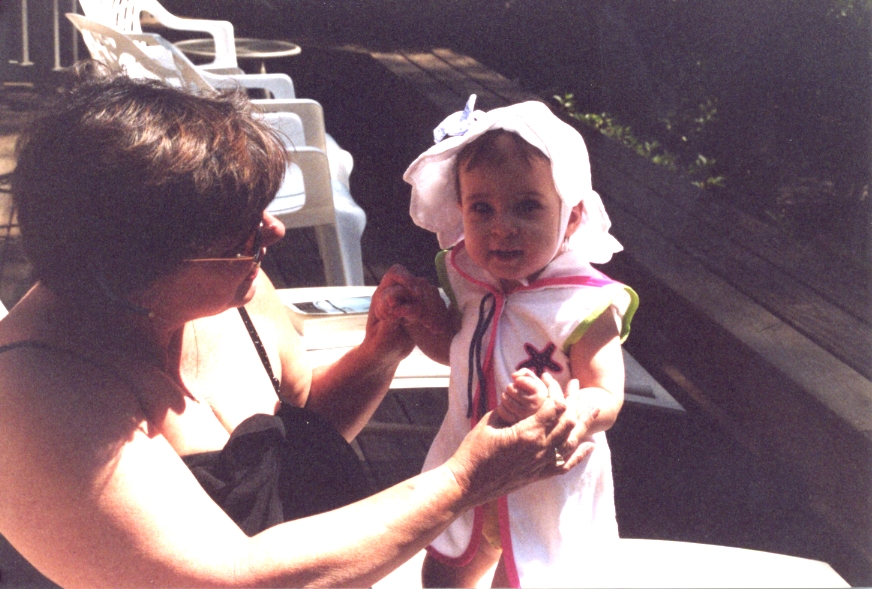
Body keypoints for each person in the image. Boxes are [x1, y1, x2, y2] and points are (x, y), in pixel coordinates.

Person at [0, 68, 602, 588]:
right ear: (140, 259)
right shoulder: (34, 396)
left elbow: (298, 426)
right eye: (239, 227)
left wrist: (379, 351)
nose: (273, 231)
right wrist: (465, 480)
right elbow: (223, 578)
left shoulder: (236, 291)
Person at [376, 97, 639, 588]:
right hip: (468, 463)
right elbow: (460, 354)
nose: (502, 227)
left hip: (544, 479)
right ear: (460, 210)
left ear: (571, 217)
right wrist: (426, 319)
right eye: (482, 208)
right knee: (442, 574)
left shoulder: (583, 302)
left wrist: (567, 412)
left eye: (527, 206)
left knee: (528, 576)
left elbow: (607, 394)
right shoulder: (470, 279)